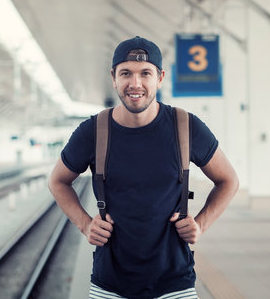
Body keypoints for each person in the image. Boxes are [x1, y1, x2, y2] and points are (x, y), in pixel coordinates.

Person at [48, 36, 239, 299]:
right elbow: (58, 180)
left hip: (175, 281)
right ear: (113, 78)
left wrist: (201, 224)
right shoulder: (93, 131)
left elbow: (228, 179)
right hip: (110, 283)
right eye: (126, 73)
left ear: (159, 78)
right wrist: (84, 224)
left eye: (145, 73)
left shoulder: (185, 126)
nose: (135, 83)